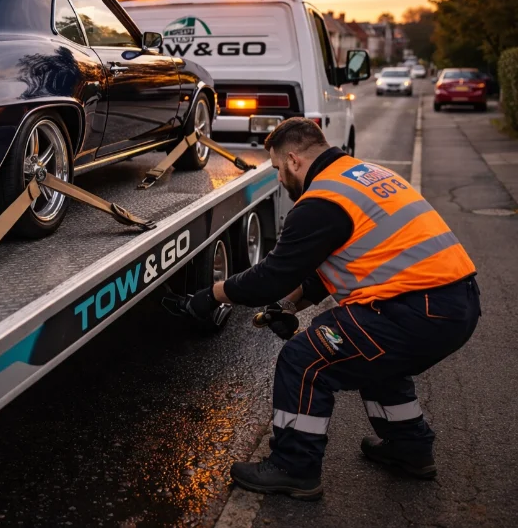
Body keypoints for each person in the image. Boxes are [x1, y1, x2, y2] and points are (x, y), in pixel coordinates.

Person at [163, 117, 481, 500]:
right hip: (454, 304)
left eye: (279, 169)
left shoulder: (320, 202)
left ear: (294, 160)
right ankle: (410, 450)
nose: (280, 180)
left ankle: (293, 468)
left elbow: (272, 275)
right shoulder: (361, 174)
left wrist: (212, 295)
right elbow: (323, 271)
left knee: (304, 359)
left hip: (415, 311)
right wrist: (289, 306)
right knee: (375, 357)